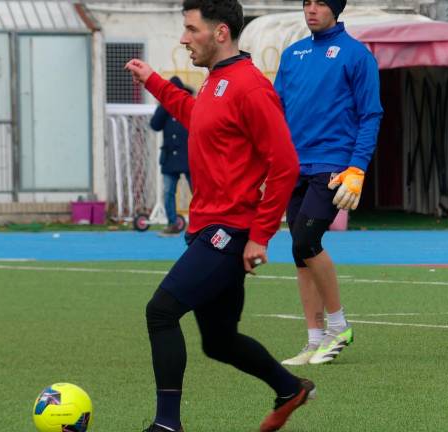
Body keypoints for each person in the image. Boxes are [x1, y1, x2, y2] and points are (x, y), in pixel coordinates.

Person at [126, 1, 314, 431]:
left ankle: (167, 424)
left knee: (161, 311)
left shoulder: (250, 87)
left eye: (191, 29)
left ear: (221, 33)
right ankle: (290, 389)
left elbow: (284, 164)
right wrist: (153, 80)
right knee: (219, 341)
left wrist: (260, 235)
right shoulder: (216, 83)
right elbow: (198, 118)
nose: (183, 38)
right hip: (207, 229)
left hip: (228, 231)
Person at [273, 0, 383, 366]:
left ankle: (339, 325)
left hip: (333, 167)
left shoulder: (356, 55)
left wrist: (358, 168)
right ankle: (313, 339)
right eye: (307, 2)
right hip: (293, 166)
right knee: (298, 251)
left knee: (307, 239)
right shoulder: (292, 55)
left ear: (335, 8)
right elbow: (276, 111)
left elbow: (370, 115)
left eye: (320, 2)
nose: (311, 9)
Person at [150, 76, 193, 236]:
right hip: (170, 156)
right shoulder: (165, 108)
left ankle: (203, 223)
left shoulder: (188, 105)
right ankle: (172, 223)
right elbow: (154, 125)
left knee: (199, 192)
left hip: (190, 156)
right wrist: (165, 104)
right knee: (168, 191)